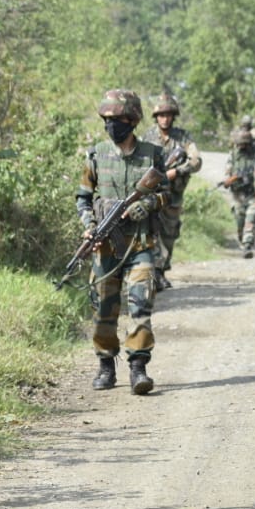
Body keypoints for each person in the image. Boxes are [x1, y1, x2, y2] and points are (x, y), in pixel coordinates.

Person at [78, 89, 169, 395]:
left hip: (140, 244)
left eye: (116, 120)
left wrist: (145, 205)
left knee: (141, 302)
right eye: (106, 120)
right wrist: (89, 226)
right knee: (104, 306)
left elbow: (165, 193)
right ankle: (106, 365)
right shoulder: (95, 155)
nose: (110, 125)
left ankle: (138, 367)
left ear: (131, 120)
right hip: (106, 246)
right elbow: (83, 199)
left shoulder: (152, 154)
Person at [140, 92, 202, 291]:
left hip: (173, 194)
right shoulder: (147, 137)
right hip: (152, 192)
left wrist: (177, 171)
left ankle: (162, 270)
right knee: (151, 231)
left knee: (169, 233)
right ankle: (155, 273)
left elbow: (196, 161)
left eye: (168, 115)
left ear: (173, 116)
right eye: (161, 115)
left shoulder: (183, 138)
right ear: (156, 117)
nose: (165, 119)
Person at [222, 116, 255, 258]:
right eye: (240, 144)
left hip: (251, 193)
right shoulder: (233, 155)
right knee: (239, 219)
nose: (242, 147)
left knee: (251, 218)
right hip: (237, 194)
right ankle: (242, 239)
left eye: (244, 144)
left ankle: (247, 244)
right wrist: (228, 181)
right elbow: (228, 170)